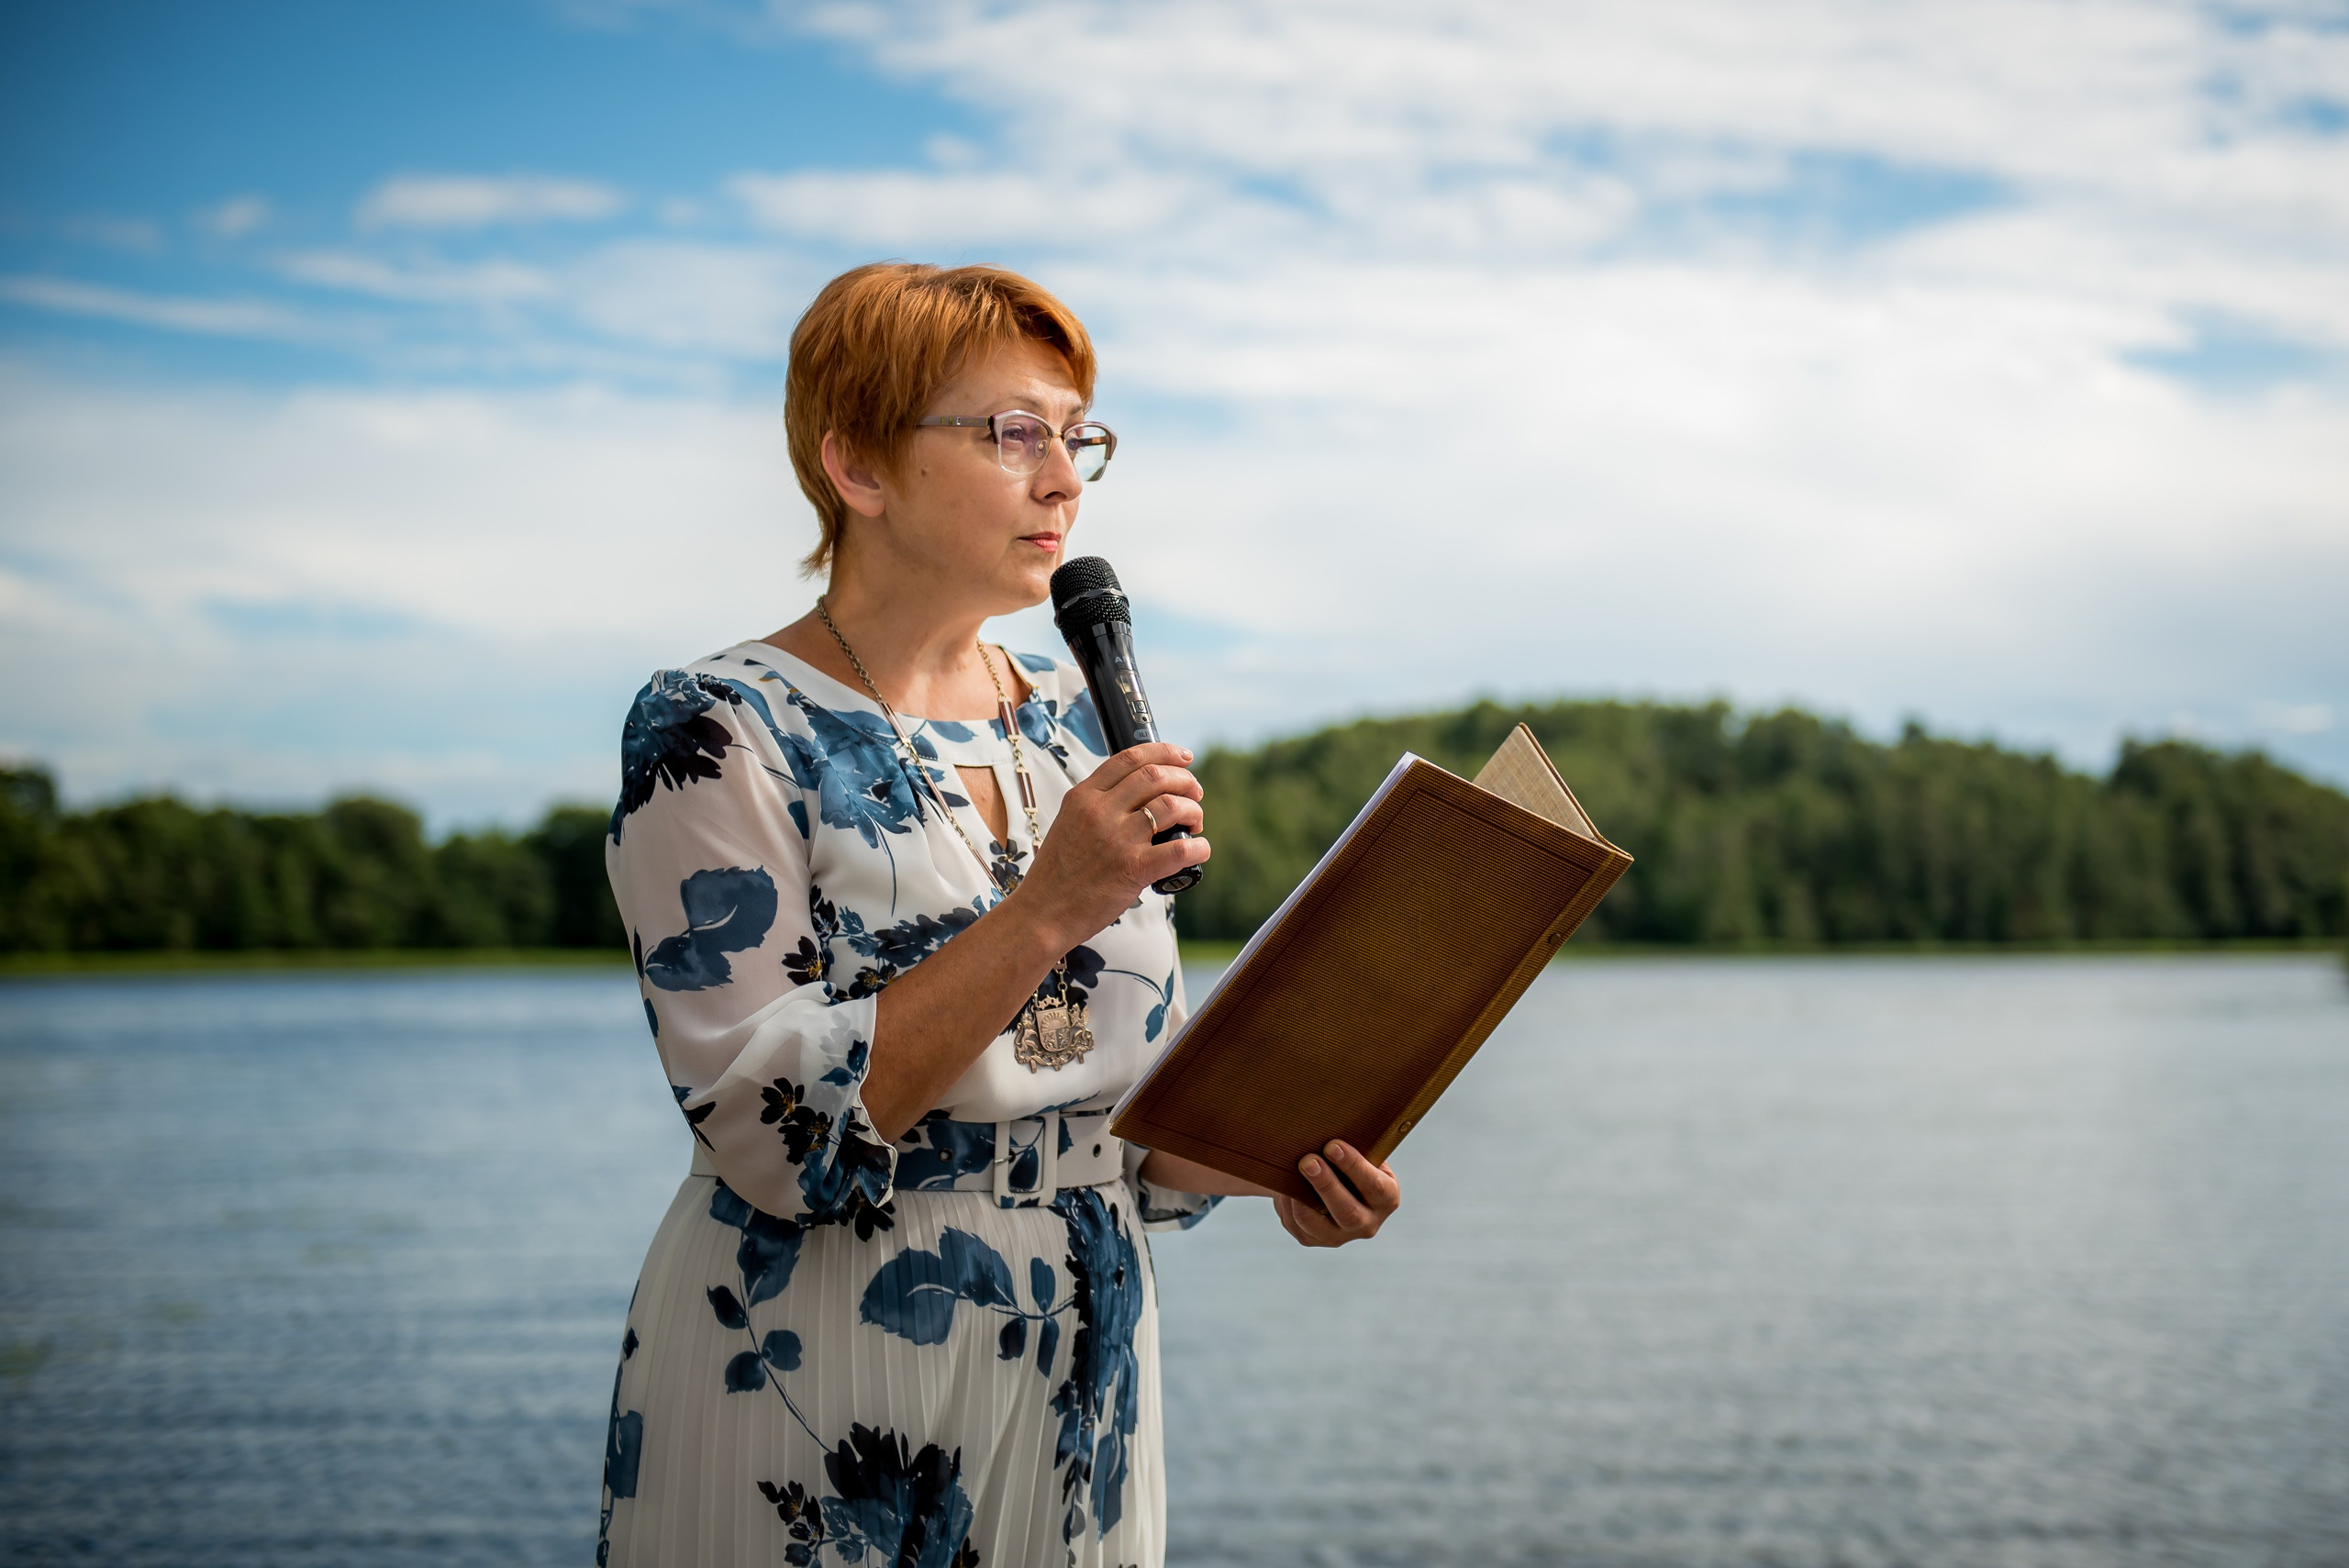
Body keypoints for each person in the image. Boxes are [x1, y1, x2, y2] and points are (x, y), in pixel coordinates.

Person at [597, 261, 1402, 1567]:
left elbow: (1130, 1128)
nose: (1064, 476)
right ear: (855, 466)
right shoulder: (716, 725)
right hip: (812, 1370)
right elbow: (769, 1134)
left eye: (1076, 436)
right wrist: (1047, 908)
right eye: (1011, 432)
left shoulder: (1075, 721)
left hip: (1083, 1379)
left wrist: (1277, 1159)